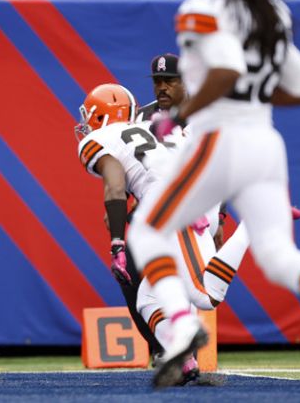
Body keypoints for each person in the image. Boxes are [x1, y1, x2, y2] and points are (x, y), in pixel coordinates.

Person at [126, 0, 300, 388]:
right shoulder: (273, 12)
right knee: (279, 256)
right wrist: (253, 98)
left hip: (219, 139)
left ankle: (183, 325)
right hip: (265, 143)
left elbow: (226, 66)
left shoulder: (203, 9)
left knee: (147, 233)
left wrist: (181, 113)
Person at [76, 81, 254, 384]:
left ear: (100, 116)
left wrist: (117, 243)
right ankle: (183, 357)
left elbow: (116, 185)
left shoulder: (102, 137)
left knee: (205, 295)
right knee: (148, 299)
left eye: (88, 116)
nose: (83, 124)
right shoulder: (152, 129)